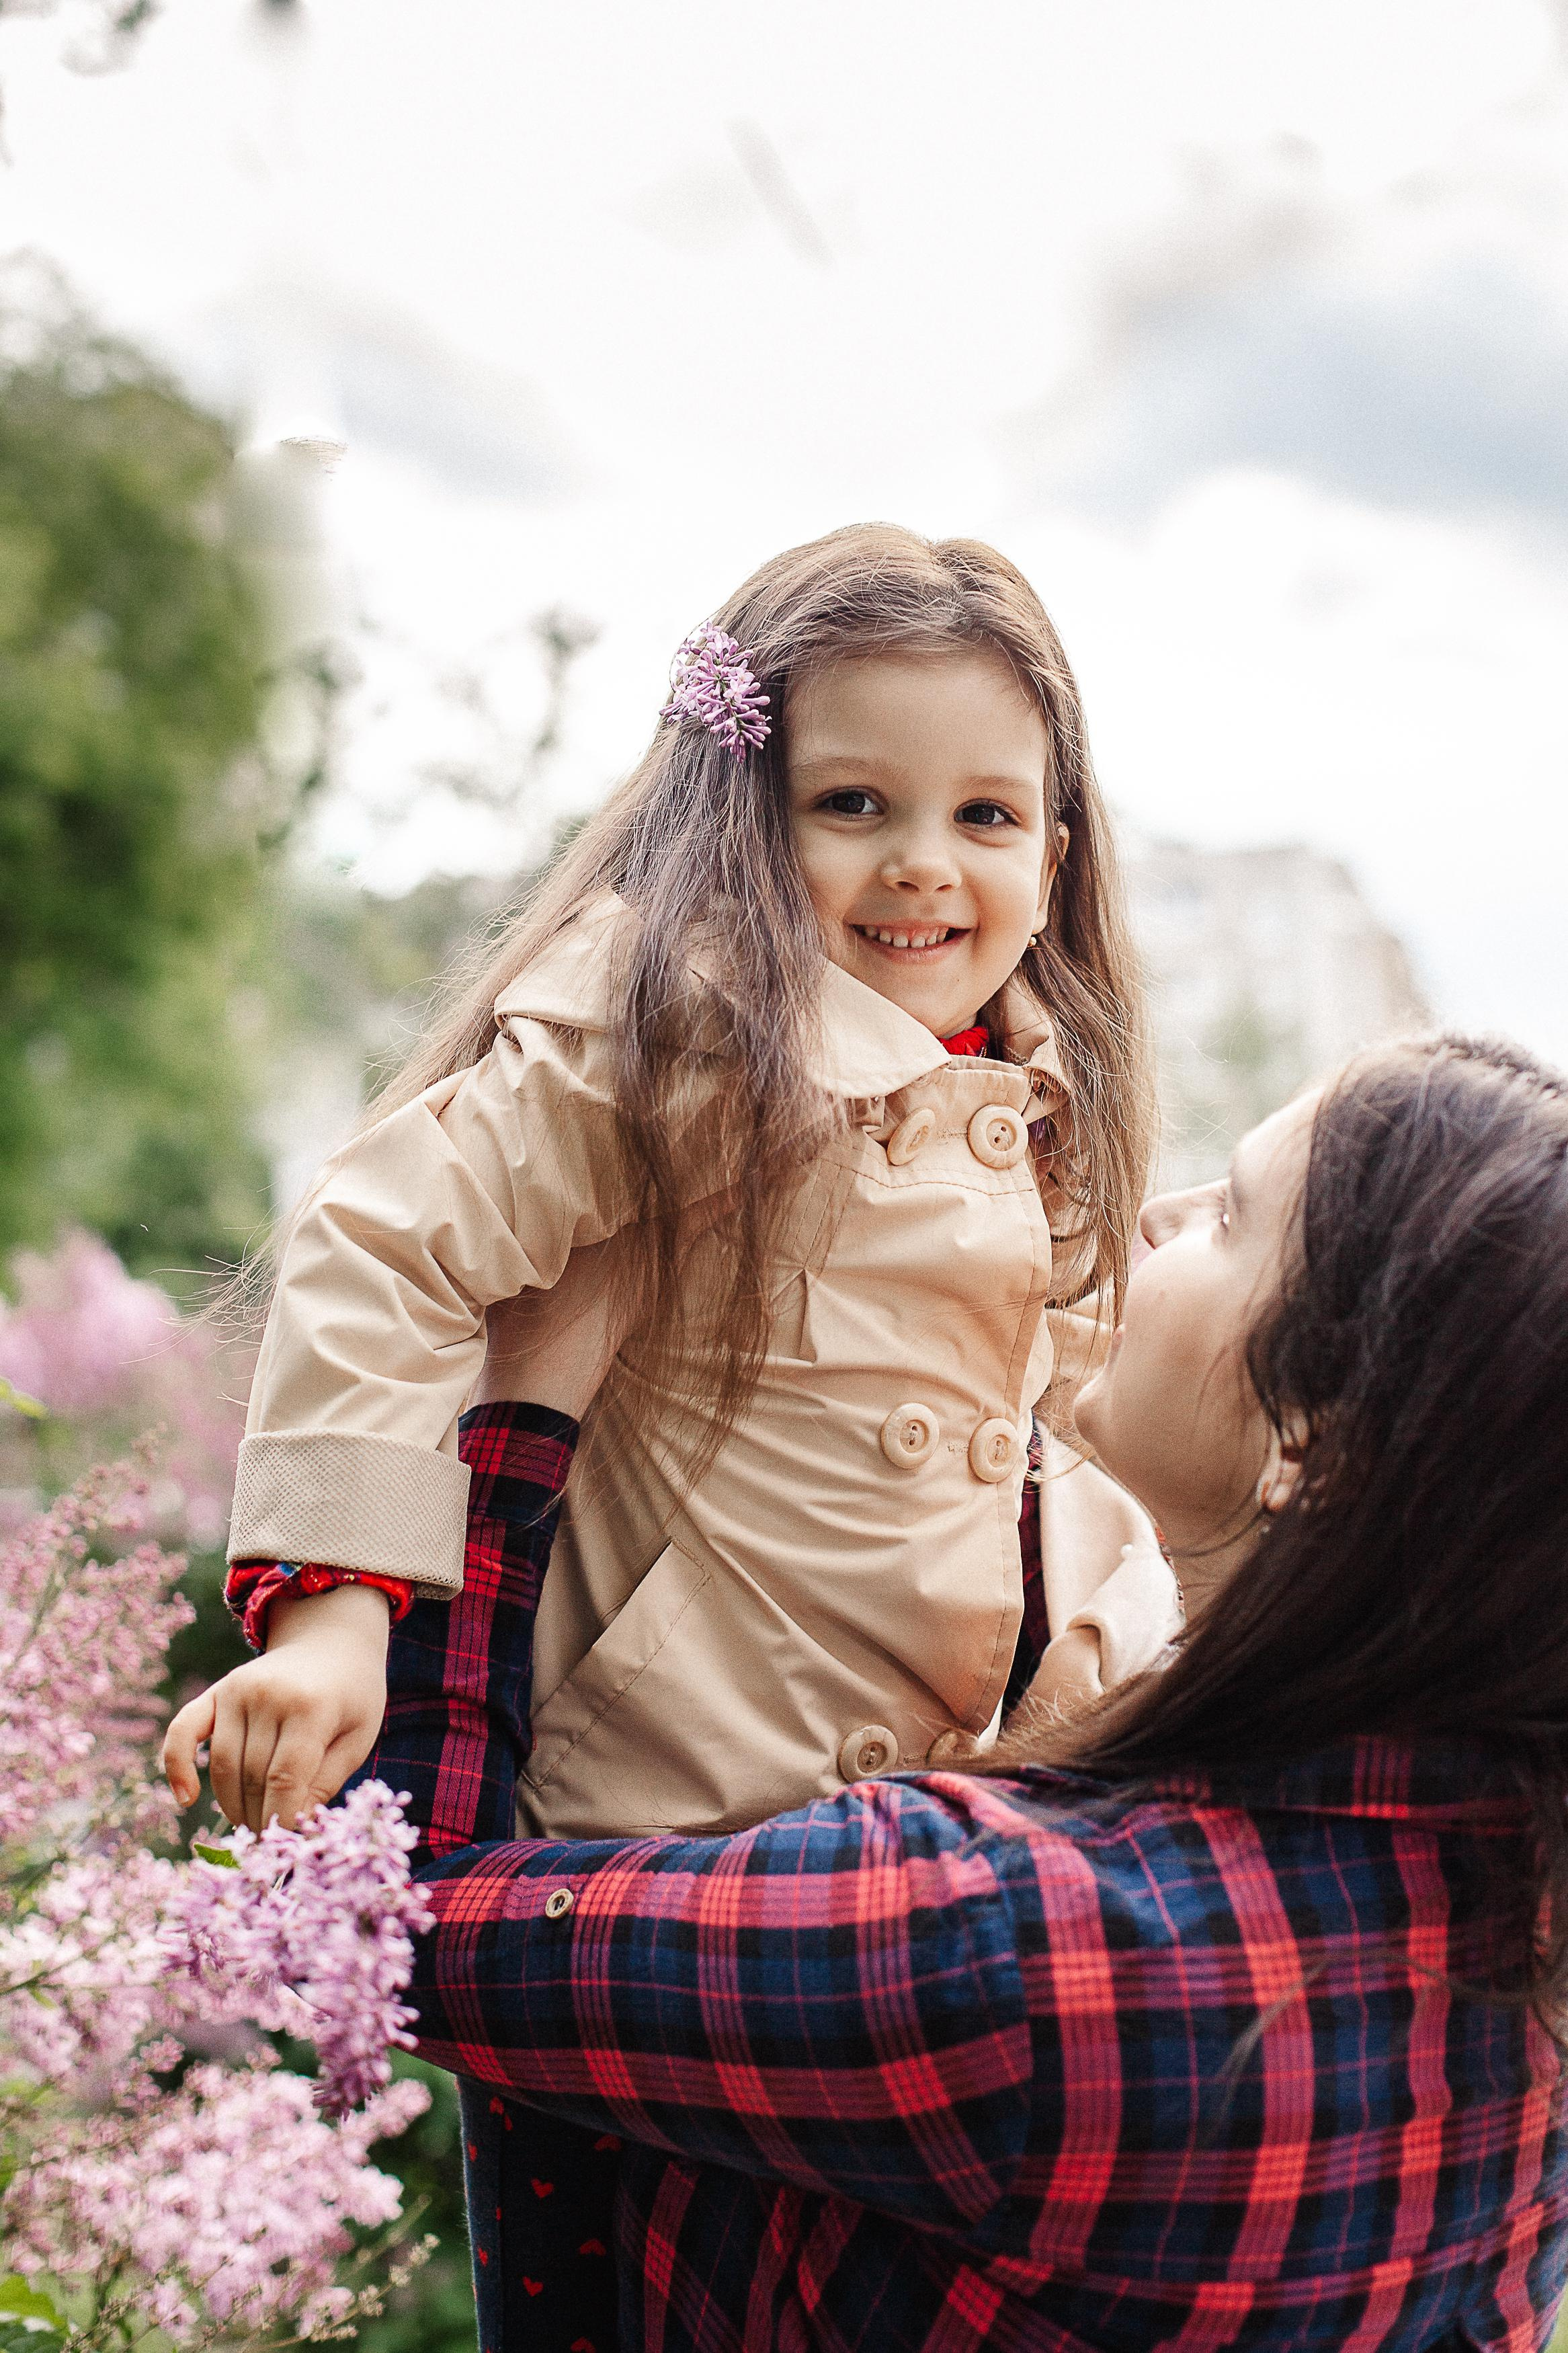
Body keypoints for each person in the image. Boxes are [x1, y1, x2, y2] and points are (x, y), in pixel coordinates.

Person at [163, 523, 1175, 2341]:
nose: (919, 869)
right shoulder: (676, 1026)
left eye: (984, 816)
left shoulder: (1040, 1106)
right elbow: (389, 1239)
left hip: (909, 1863)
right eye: (850, 801)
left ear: (1057, 845)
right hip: (648, 1840)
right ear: (737, 807)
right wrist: (332, 1618)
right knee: (604, 2297)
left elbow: (1062, 1449)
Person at [374, 1035, 1568, 2351]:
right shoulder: (1532, 1928)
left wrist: (519, 1403)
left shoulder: (995, 1945)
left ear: (1309, 1438)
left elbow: (392, 1920)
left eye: (1228, 1215)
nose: (1158, 1216)